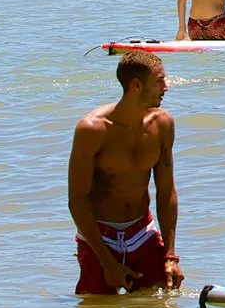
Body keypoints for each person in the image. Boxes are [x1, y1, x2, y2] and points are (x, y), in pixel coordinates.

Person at [67, 49, 182, 295]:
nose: (166, 87)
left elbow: (166, 192)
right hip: (100, 237)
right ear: (136, 85)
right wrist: (107, 263)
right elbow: (76, 201)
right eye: (159, 81)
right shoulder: (92, 130)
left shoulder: (162, 125)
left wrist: (171, 255)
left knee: (162, 307)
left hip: (141, 233)